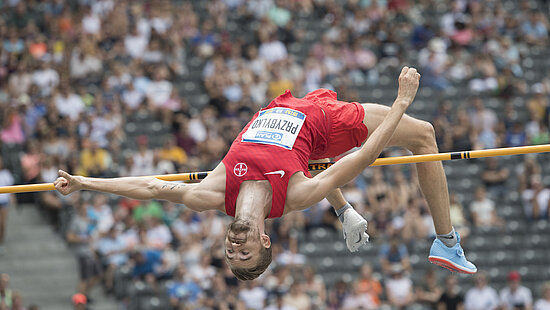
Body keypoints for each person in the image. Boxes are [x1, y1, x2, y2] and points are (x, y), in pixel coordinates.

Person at [54, 67, 476, 280]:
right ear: (264, 239)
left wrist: (83, 182)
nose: (235, 248)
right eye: (246, 253)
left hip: (289, 107)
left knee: (312, 161)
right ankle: (447, 242)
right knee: (423, 135)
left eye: (230, 253)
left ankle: (366, 217)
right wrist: (401, 101)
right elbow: (362, 158)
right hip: (324, 121)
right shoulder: (290, 198)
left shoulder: (215, 193)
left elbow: (148, 186)